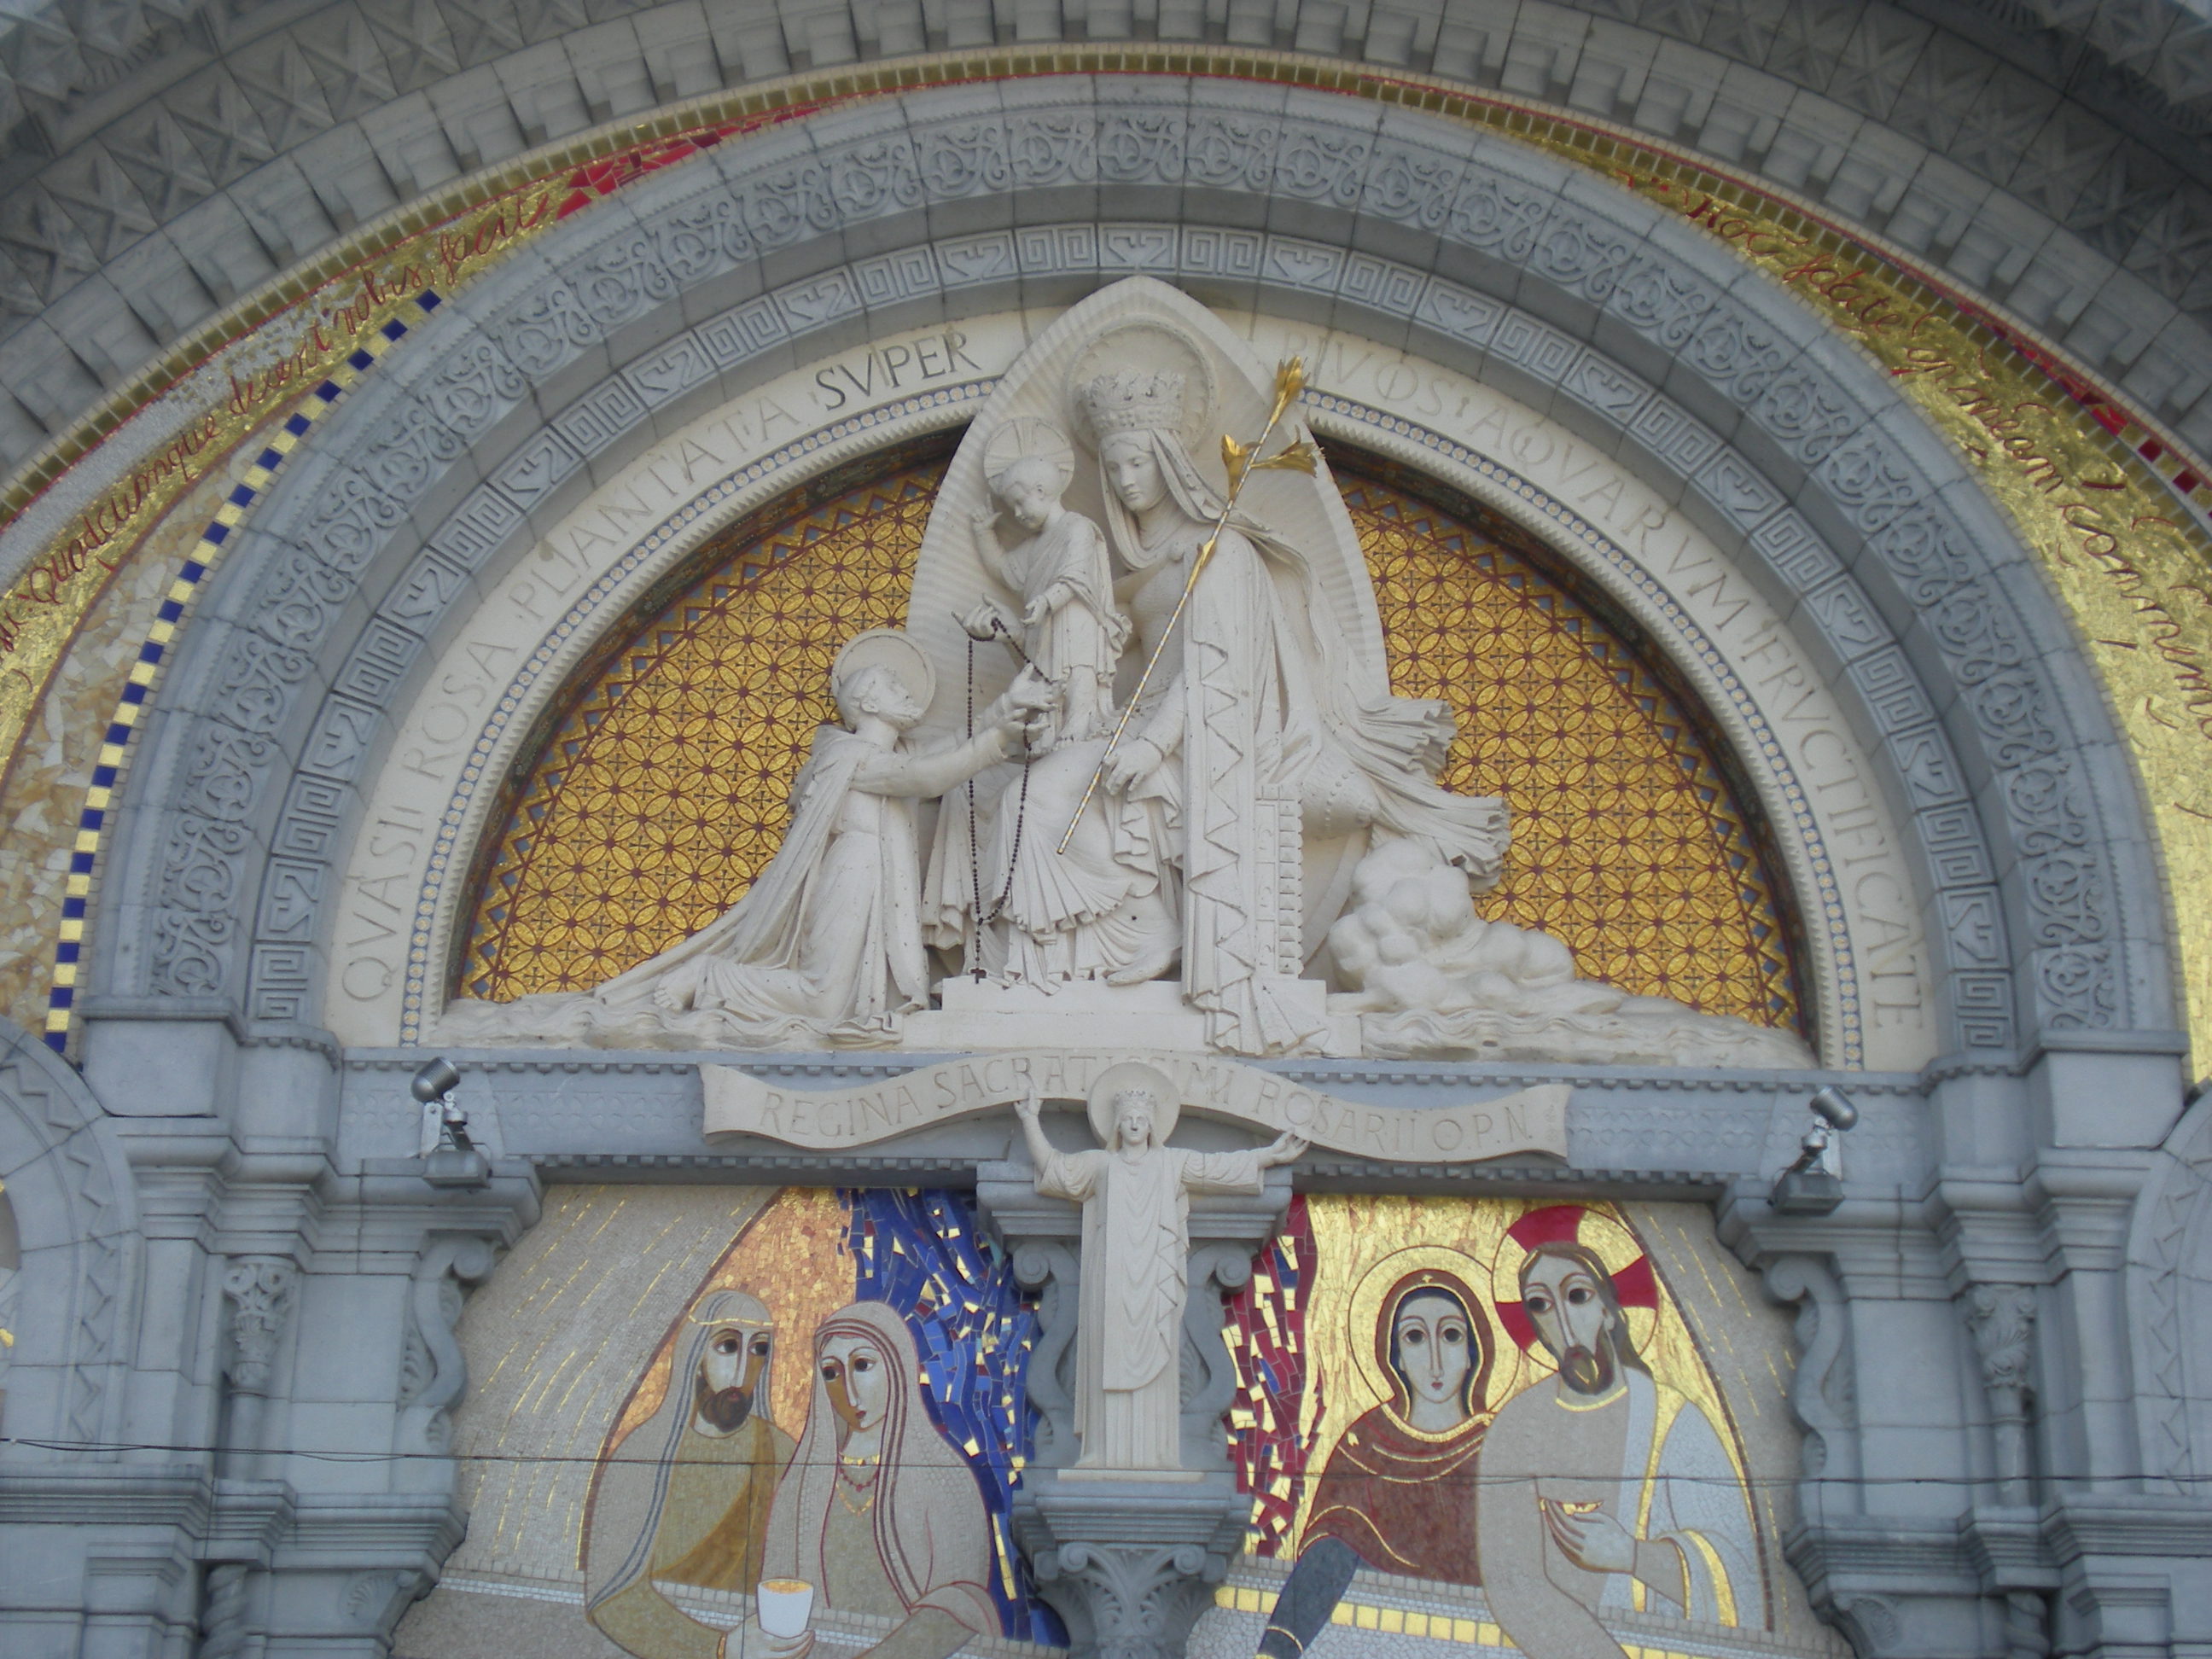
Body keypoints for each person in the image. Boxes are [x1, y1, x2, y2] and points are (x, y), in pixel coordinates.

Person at [439, 632, 1055, 1047]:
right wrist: (995, 738)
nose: (907, 694)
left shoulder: (889, 753)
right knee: (821, 1001)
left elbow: (937, 759)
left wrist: (1004, 713)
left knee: (829, 1002)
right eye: (893, 687)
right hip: (854, 873)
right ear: (867, 699)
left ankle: (722, 984)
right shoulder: (849, 756)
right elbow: (924, 777)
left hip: (871, 876)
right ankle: (708, 979)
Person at [1476, 1232, 1764, 1655]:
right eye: (1540, 1305)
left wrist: (1632, 1556)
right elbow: (1514, 1583)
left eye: (1577, 1296)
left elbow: (1737, 1573)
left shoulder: (1673, 1421)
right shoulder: (1516, 1428)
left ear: (1609, 1312)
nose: (1563, 1321)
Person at [1016, 1062, 1306, 1470]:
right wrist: (1030, 1120)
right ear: (1117, 1126)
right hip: (1110, 1280)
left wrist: (1266, 1156)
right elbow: (1055, 1168)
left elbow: (1217, 1169)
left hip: (1154, 1279)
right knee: (1106, 1358)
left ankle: (1155, 1453)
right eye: (1128, 1119)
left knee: (1157, 1359)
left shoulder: (1172, 1164)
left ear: (1152, 1124)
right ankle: (1101, 1451)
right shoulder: (1102, 1166)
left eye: (1141, 1118)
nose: (1135, 1124)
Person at [1257, 1266, 1493, 1659]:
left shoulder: (1499, 1446)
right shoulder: (1365, 1443)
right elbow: (1330, 1545)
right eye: (1415, 1337)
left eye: (1451, 1335)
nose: (1435, 1361)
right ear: (1395, 1357)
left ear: (1474, 1351)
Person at [742, 1301, 999, 1659]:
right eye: (831, 1372)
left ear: (896, 1366)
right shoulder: (801, 1485)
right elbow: (776, 1598)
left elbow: (960, 1602)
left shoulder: (944, 1478)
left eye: (863, 1365)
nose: (848, 1390)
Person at [584, 1290, 795, 1659]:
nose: (743, 1370)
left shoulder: (781, 1453)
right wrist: (718, 1647)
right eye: (728, 1346)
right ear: (696, 1356)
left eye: (759, 1349)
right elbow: (611, 1593)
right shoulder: (645, 1452)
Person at [964, 451, 1129, 747]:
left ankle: (1080, 720)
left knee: (1078, 666)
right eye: (1012, 507)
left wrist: (1047, 601)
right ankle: (1053, 727)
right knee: (1050, 675)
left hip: (1075, 619)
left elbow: (1077, 574)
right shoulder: (1034, 545)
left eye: (1019, 502)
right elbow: (1004, 570)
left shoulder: (1077, 527)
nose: (1017, 513)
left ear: (1041, 491)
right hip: (1045, 627)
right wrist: (983, 534)